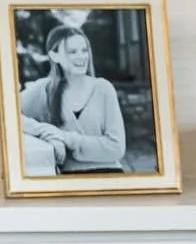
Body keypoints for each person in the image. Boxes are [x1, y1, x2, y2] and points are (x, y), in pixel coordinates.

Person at [19, 24, 127, 175]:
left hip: (109, 176)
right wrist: (48, 133)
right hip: (68, 181)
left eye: (84, 50)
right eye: (72, 52)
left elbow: (116, 148)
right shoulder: (43, 90)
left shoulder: (103, 88)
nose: (81, 57)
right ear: (54, 55)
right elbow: (5, 115)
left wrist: (65, 137)